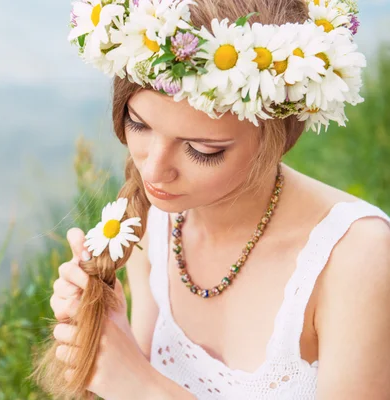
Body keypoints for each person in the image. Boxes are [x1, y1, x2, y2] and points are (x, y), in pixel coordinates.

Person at [42, 0, 390, 398]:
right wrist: (108, 336)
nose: (154, 171)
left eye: (202, 150)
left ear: (276, 141)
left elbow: (140, 386)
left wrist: (140, 385)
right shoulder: (153, 224)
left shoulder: (354, 257)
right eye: (138, 124)